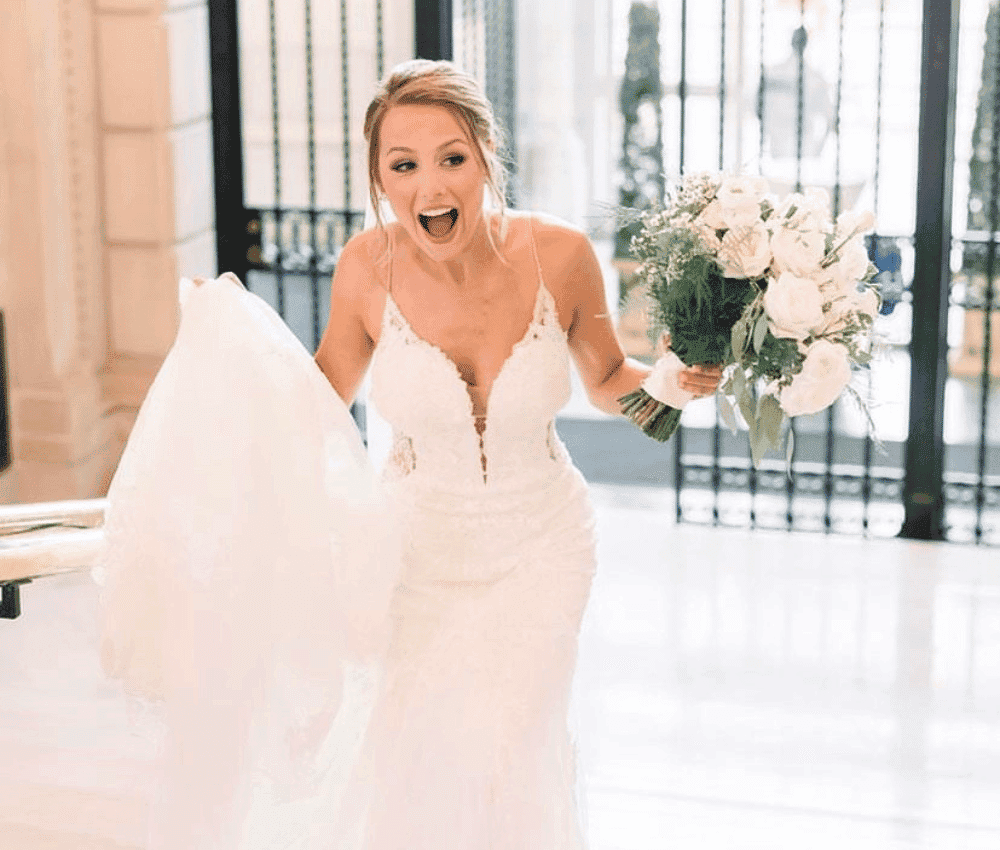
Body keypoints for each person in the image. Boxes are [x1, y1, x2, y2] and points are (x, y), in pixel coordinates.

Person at [307, 58, 722, 849]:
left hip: (541, 544)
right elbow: (320, 398)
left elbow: (608, 378)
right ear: (380, 179)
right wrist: (236, 378)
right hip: (413, 558)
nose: (431, 186)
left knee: (510, 748)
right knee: (418, 764)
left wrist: (669, 382)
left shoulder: (560, 255)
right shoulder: (365, 267)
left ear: (486, 156)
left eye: (451, 158)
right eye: (404, 166)